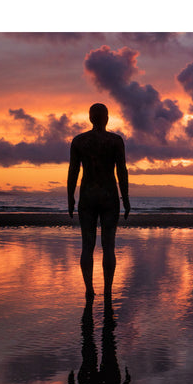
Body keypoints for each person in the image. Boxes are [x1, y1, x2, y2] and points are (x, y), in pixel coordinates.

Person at [67, 103, 130, 298]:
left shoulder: (79, 141)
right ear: (107, 118)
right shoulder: (115, 141)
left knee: (87, 245)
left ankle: (89, 290)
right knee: (108, 245)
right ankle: (108, 290)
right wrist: (126, 198)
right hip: (109, 196)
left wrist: (70, 197)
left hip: (87, 196)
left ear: (90, 118)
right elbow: (121, 172)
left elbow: (73, 172)